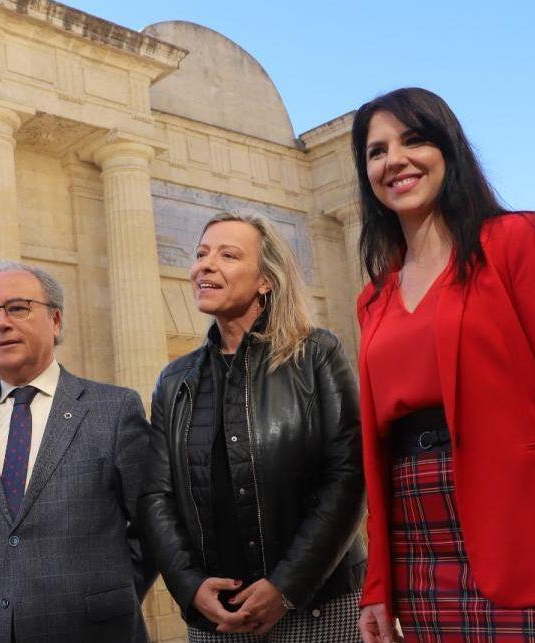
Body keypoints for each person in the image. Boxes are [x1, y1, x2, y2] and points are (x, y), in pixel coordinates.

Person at [350, 88, 535, 643]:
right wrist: (377, 585)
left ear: (450, 149)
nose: (394, 159)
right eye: (376, 150)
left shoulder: (519, 242)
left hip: (527, 533)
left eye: (413, 140)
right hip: (416, 542)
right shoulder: (373, 298)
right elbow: (376, 448)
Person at [140, 211, 367, 642]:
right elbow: (156, 496)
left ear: (266, 280)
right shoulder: (174, 382)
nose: (204, 265)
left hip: (317, 608)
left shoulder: (316, 354)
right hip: (218, 618)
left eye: (227, 255)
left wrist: (286, 587)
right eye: (201, 254)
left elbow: (349, 476)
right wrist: (189, 587)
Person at [0, 261, 155, 642]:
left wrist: (109, 592)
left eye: (17, 308)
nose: (0, 322)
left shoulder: (113, 409)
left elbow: (152, 523)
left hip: (96, 631)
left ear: (55, 320)